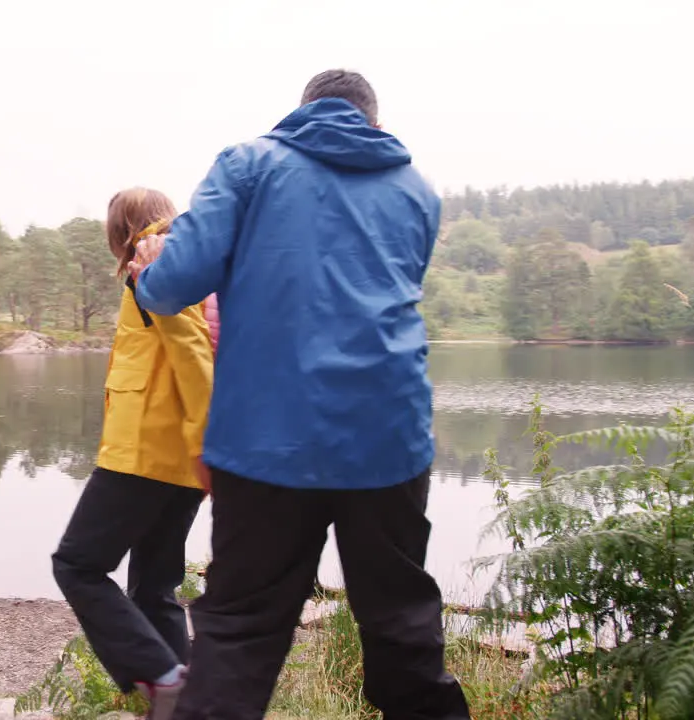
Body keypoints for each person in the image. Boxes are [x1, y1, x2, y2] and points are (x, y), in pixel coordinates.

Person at [129, 70, 472, 719]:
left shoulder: (249, 165)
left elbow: (175, 286)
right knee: (403, 627)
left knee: (239, 630)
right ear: (373, 122)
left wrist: (148, 272)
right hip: (388, 437)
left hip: (267, 441)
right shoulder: (417, 190)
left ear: (303, 113)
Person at [51, 188, 215, 720]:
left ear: (118, 230)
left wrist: (205, 440)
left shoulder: (152, 260)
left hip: (147, 451)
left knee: (77, 565)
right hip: (180, 457)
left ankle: (164, 677)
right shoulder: (185, 257)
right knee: (154, 585)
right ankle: (181, 707)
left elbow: (190, 350)